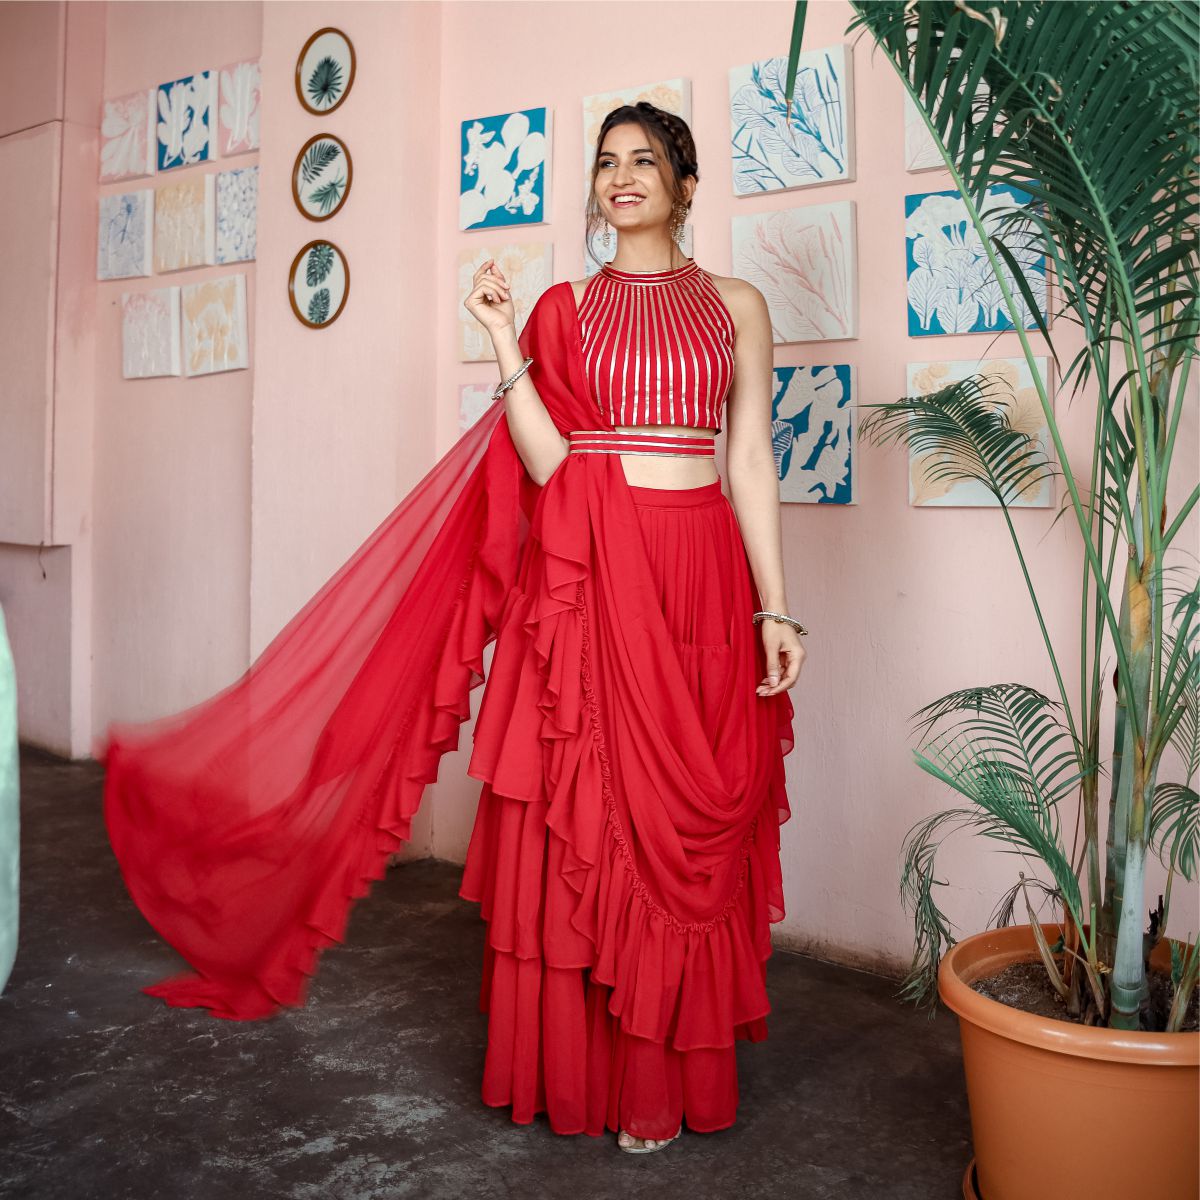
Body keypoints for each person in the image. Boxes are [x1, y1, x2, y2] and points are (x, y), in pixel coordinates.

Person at [100, 101, 804, 1157]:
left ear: (686, 185)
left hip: (701, 576)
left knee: (688, 832)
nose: (622, 177)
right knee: (594, 819)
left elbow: (748, 460)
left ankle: (666, 1068)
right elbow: (549, 464)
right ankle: (597, 1078)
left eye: (645, 161)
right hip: (595, 580)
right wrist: (496, 338)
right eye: (607, 162)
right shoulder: (561, 309)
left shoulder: (739, 306)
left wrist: (774, 601)